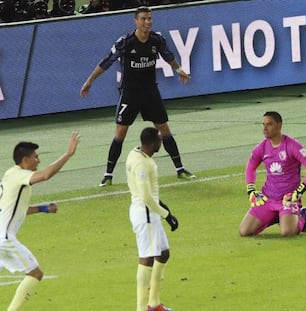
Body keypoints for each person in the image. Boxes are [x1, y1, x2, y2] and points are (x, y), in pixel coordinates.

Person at [80, 6, 195, 187]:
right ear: (136, 21)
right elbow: (106, 62)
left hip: (150, 92)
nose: (147, 22)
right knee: (120, 132)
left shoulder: (157, 40)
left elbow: (168, 55)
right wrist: (89, 81)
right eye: (143, 19)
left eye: (149, 18)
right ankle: (108, 174)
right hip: (130, 93)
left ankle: (180, 169)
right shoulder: (125, 42)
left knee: (164, 129)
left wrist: (179, 69)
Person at [0, 132, 80, 311]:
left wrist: (43, 209)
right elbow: (46, 175)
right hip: (4, 239)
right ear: (25, 160)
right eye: (36, 157)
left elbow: (17, 210)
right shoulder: (20, 175)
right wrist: (68, 154)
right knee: (35, 273)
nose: (39, 160)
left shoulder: (10, 174)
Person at [239, 111, 306, 237]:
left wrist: (298, 192)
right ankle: (276, 217)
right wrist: (251, 189)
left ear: (279, 126)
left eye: (269, 124)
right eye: (263, 124)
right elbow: (250, 167)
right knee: (244, 231)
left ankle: (302, 217)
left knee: (287, 233)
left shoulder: (292, 146)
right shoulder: (261, 147)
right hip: (268, 199)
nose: (265, 128)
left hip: (288, 200)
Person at [126, 127, 179, 311]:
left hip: (150, 212)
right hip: (146, 214)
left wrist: (164, 209)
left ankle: (154, 303)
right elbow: (146, 197)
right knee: (147, 259)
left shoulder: (135, 153)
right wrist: (166, 215)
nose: (161, 143)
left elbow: (151, 194)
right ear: (153, 143)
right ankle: (142, 308)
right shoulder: (142, 164)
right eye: (160, 140)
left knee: (163, 253)